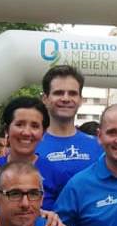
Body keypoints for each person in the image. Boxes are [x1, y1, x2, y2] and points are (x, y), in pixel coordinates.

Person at [36, 65, 100, 210]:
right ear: (45, 98)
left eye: (72, 93)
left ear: (80, 99)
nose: (66, 98)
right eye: (58, 93)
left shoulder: (98, 146)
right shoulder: (30, 145)